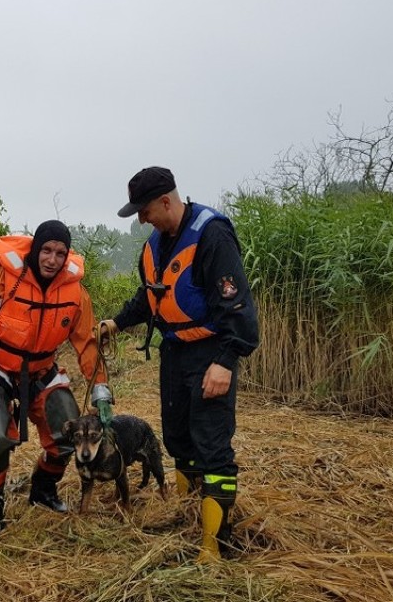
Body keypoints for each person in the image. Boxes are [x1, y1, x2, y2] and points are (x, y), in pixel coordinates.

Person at [101, 166, 259, 561]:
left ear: (166, 201)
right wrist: (116, 322)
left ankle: (214, 547)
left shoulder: (212, 235)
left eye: (144, 210)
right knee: (178, 439)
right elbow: (149, 296)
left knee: (212, 447)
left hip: (211, 353)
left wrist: (225, 361)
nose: (141, 219)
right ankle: (187, 518)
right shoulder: (155, 246)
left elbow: (238, 306)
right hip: (175, 352)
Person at [0, 220, 114, 537]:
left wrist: (101, 391)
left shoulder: (76, 294)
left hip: (41, 371)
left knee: (71, 430)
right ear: (36, 249)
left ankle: (43, 490)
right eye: (47, 251)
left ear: (67, 257)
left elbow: (88, 345)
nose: (52, 260)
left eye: (60, 253)